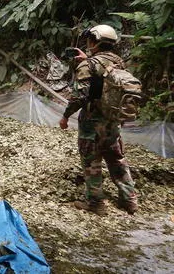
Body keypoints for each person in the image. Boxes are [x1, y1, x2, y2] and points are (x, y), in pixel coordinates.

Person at [59, 24, 138, 215]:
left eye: (89, 40)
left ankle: (95, 203)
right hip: (112, 120)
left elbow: (80, 96)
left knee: (91, 161)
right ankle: (130, 200)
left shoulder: (88, 65)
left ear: (94, 41)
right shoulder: (119, 63)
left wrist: (65, 116)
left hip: (91, 123)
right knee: (117, 159)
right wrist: (90, 60)